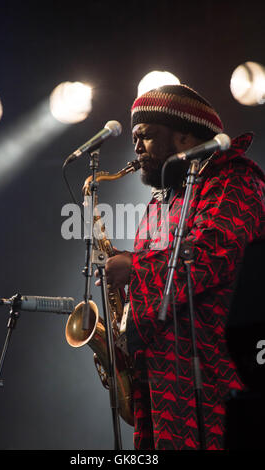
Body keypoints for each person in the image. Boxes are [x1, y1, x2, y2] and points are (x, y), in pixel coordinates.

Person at [100, 84, 265, 450]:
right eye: (135, 138)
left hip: (215, 382)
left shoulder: (235, 180)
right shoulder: (162, 201)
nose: (136, 148)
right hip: (161, 387)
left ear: (185, 136)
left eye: (146, 137)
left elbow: (214, 252)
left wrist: (136, 268)